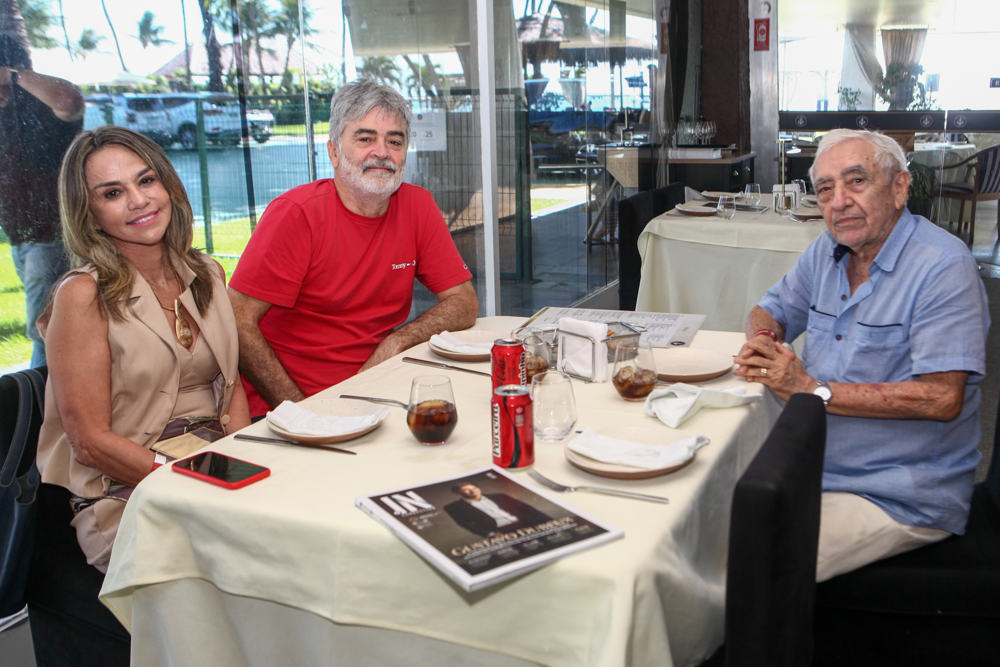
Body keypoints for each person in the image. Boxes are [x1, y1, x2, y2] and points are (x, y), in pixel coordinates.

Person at [734, 129, 989, 582]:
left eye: (856, 181)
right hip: (811, 463)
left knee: (750, 564)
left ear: (899, 188)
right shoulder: (827, 251)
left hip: (896, 493)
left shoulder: (944, 268)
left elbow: (942, 398)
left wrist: (810, 389)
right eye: (825, 189)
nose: (839, 202)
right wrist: (766, 341)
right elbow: (768, 311)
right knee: (699, 518)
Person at [36, 127, 251, 574]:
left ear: (167, 185)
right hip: (127, 490)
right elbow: (90, 444)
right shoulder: (82, 296)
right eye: (113, 193)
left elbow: (230, 389)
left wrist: (247, 466)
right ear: (90, 215)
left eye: (147, 180)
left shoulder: (207, 273)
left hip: (210, 465)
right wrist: (197, 480)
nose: (139, 200)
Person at [228, 78, 478, 418]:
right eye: (365, 139)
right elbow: (237, 321)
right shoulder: (296, 214)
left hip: (378, 394)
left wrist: (398, 341)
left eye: (395, 141)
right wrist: (303, 414)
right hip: (289, 405)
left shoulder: (417, 206)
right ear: (333, 151)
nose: (382, 152)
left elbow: (464, 302)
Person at [0, 35, 83, 367]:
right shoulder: (6, 116)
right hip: (21, 237)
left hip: (51, 236)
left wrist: (13, 75)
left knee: (46, 332)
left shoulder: (38, 109)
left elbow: (71, 99)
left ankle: (40, 395)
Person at [443, 483, 553, 538]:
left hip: (528, 521)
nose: (473, 491)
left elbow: (527, 508)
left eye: (474, 488)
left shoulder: (498, 495)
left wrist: (548, 520)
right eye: (467, 490)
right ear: (457, 493)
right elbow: (465, 523)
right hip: (504, 530)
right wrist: (490, 534)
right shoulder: (454, 507)